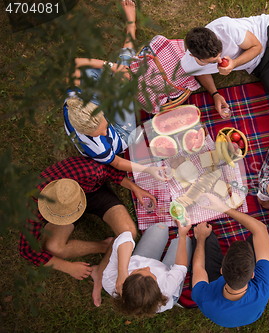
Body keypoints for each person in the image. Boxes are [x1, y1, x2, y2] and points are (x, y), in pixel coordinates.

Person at [63, 0, 167, 181]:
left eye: (103, 127)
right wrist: (149, 170)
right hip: (121, 133)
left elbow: (75, 64)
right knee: (125, 76)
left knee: (109, 71)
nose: (104, 133)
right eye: (101, 133)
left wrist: (112, 67)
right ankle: (131, 26)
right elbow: (117, 163)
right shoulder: (97, 147)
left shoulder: (73, 102)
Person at [18, 156, 156, 280]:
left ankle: (101, 271)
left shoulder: (87, 170)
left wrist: (135, 188)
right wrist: (67, 267)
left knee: (128, 231)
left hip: (94, 192)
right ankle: (104, 246)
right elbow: (27, 250)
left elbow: (110, 171)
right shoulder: (32, 209)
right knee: (53, 247)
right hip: (69, 202)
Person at [190, 193, 269, 328]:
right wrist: (224, 208)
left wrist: (200, 239)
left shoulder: (204, 298)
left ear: (221, 270)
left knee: (202, 234)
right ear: (253, 274)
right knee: (259, 238)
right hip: (247, 315)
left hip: (218, 304)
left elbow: (198, 267)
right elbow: (261, 229)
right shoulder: (264, 285)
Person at [90, 220, 192, 317]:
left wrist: (122, 271)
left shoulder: (110, 279)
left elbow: (126, 235)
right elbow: (180, 267)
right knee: (186, 241)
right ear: (158, 288)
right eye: (154, 277)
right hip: (168, 273)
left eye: (139, 270)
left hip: (142, 258)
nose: (148, 268)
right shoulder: (165, 291)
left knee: (160, 227)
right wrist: (182, 236)